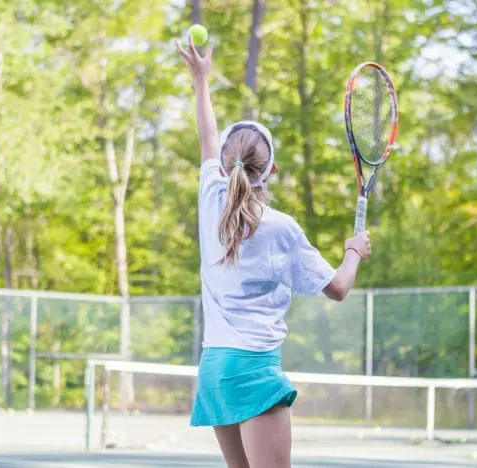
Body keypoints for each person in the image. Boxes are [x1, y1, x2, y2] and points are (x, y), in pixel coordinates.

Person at [176, 36, 371, 468]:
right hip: (252, 370)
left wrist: (201, 79)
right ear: (272, 170)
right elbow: (338, 288)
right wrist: (354, 250)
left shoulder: (210, 200)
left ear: (226, 167)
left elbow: (207, 134)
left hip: (215, 370)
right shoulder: (281, 229)